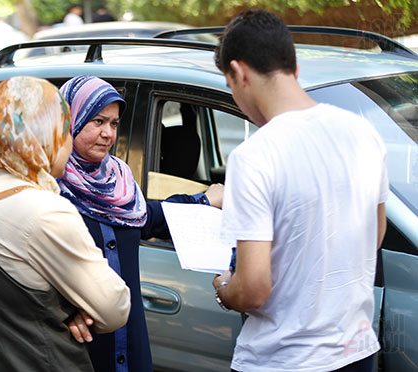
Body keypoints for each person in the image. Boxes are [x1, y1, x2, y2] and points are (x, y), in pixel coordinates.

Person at [212, 10, 388, 372]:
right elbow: (375, 233)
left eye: (230, 86)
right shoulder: (362, 132)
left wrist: (225, 287)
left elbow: (253, 289)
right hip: (356, 352)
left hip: (282, 360)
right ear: (292, 66)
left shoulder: (254, 155)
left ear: (240, 73)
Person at [0, 76, 131, 371]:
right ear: (42, 137)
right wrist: (75, 309)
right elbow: (115, 308)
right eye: (63, 130)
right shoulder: (45, 210)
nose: (67, 141)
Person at [57, 75, 223, 372]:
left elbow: (147, 218)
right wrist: (57, 311)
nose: (108, 133)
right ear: (70, 119)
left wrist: (204, 201)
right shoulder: (48, 189)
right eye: (97, 121)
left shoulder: (119, 180)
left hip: (130, 345)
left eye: (114, 124)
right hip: (78, 346)